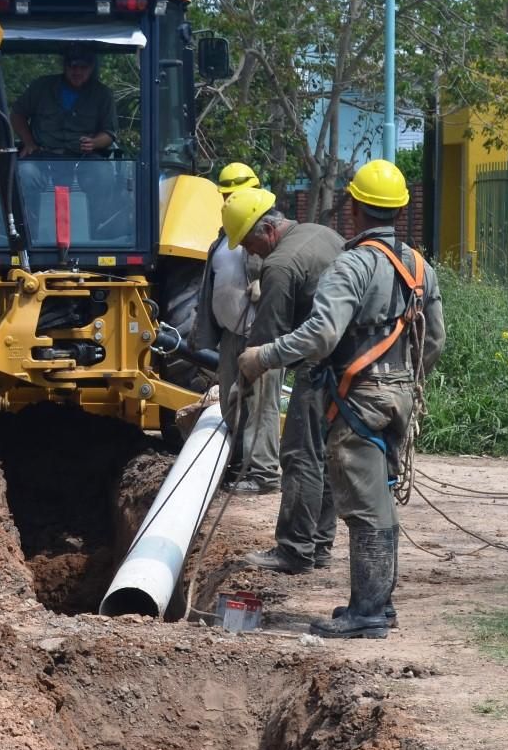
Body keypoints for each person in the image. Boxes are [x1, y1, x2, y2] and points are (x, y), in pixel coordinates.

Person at [238, 159, 445, 639]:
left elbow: (321, 334)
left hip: (358, 400)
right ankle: (377, 605)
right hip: (398, 398)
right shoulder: (419, 266)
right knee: (380, 498)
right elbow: (433, 341)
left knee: (366, 507)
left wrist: (263, 356)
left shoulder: (351, 265)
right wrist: (405, 384)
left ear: (353, 209)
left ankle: (368, 613)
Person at [221, 187, 345, 574]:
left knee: (299, 456)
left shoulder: (280, 264)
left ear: (268, 229)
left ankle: (294, 550)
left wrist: (243, 381)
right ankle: (319, 544)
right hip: (354, 365)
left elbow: (265, 341)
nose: (251, 253)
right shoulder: (322, 233)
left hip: (319, 366)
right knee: (326, 456)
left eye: (250, 244)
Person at [188, 163, 281, 494]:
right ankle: (240, 465)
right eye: (226, 195)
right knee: (233, 403)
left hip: (260, 335)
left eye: (234, 195)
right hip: (230, 335)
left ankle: (264, 474)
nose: (229, 201)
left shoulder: (266, 235)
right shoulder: (223, 237)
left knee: (261, 406)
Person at [11, 45, 117, 158]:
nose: (77, 72)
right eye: (73, 66)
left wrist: (94, 142)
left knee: (102, 172)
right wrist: (29, 143)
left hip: (84, 158)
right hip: (42, 155)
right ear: (65, 66)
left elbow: (109, 133)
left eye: (83, 67)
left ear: (91, 68)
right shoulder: (41, 86)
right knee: (26, 170)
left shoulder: (103, 94)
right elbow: (17, 114)